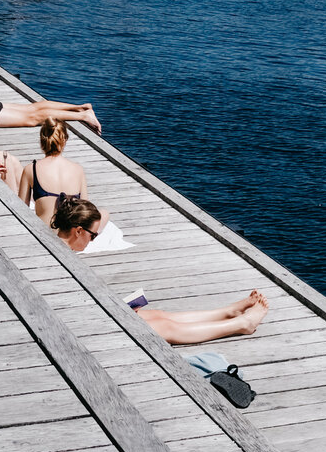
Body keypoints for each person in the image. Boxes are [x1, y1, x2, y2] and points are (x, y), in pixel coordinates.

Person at [50, 197, 269, 342]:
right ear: (78, 231)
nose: (93, 240)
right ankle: (242, 323)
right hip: (84, 331)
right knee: (165, 327)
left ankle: (227, 312)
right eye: (92, 235)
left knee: (158, 315)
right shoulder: (63, 256)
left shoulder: (57, 246)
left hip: (84, 318)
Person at [18, 119, 88, 225]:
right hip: (70, 237)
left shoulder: (31, 169)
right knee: (104, 214)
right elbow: (86, 211)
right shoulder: (78, 170)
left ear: (42, 140)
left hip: (44, 233)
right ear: (64, 140)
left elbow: (21, 211)